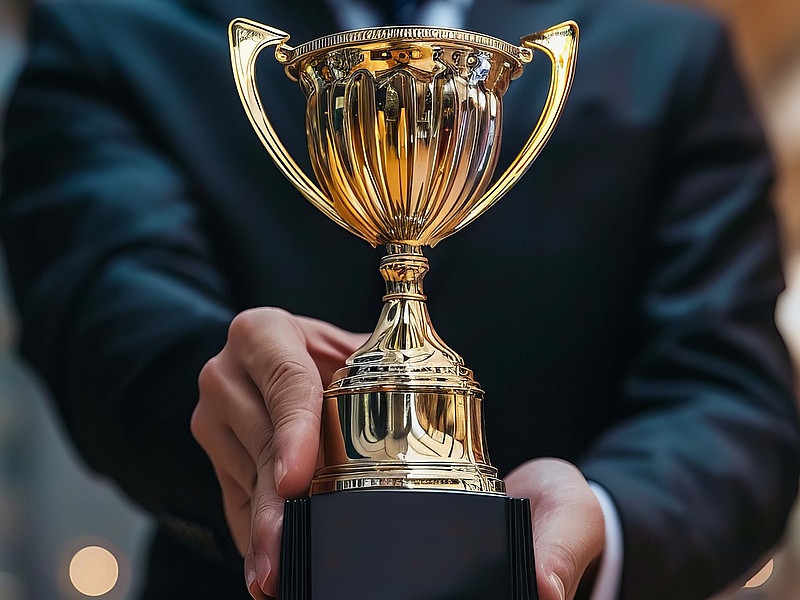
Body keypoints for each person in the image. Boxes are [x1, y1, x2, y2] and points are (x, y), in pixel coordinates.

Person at [1, 0, 799, 598]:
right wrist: (234, 407)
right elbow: (102, 302)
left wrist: (601, 520)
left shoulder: (670, 52)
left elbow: (731, 398)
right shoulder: (112, 32)